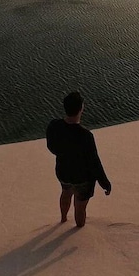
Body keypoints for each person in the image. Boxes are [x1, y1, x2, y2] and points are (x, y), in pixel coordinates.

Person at [46, 91, 111, 227]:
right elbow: (94, 163)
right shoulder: (86, 136)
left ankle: (63, 219)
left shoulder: (54, 126)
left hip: (63, 172)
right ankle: (79, 231)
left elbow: (51, 147)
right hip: (82, 178)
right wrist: (105, 183)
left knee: (66, 192)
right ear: (81, 108)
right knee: (80, 206)